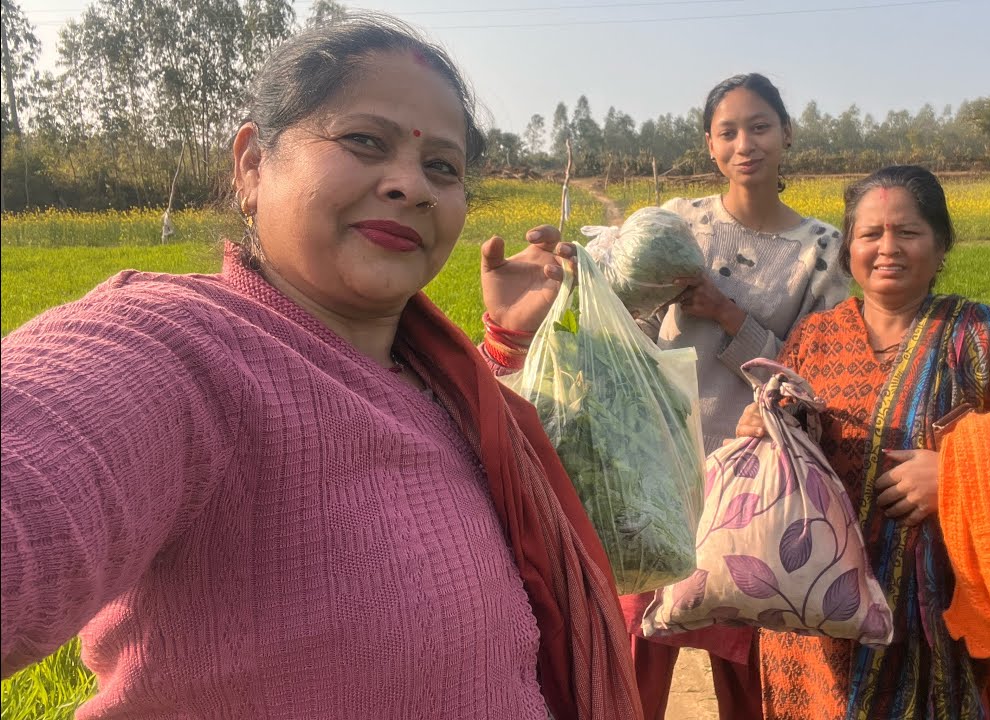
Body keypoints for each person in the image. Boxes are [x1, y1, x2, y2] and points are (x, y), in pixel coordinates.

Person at [0, 15, 641, 720]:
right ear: (251, 165)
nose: (412, 186)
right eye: (365, 141)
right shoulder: (177, 347)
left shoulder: (438, 380)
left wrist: (507, 344)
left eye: (442, 168)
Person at [733, 165, 990, 720]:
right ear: (850, 248)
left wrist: (960, 477)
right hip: (816, 623)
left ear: (941, 246)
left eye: (909, 233)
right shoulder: (814, 338)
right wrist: (761, 432)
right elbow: (782, 449)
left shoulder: (980, 339)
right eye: (871, 234)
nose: (887, 248)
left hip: (941, 621)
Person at [619, 73, 851, 720]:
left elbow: (817, 375)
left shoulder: (822, 250)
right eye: (729, 131)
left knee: (750, 670)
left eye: (760, 126)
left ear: (786, 136)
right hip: (660, 473)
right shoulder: (677, 225)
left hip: (753, 484)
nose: (745, 143)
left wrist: (729, 316)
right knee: (634, 653)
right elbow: (628, 325)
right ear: (710, 146)